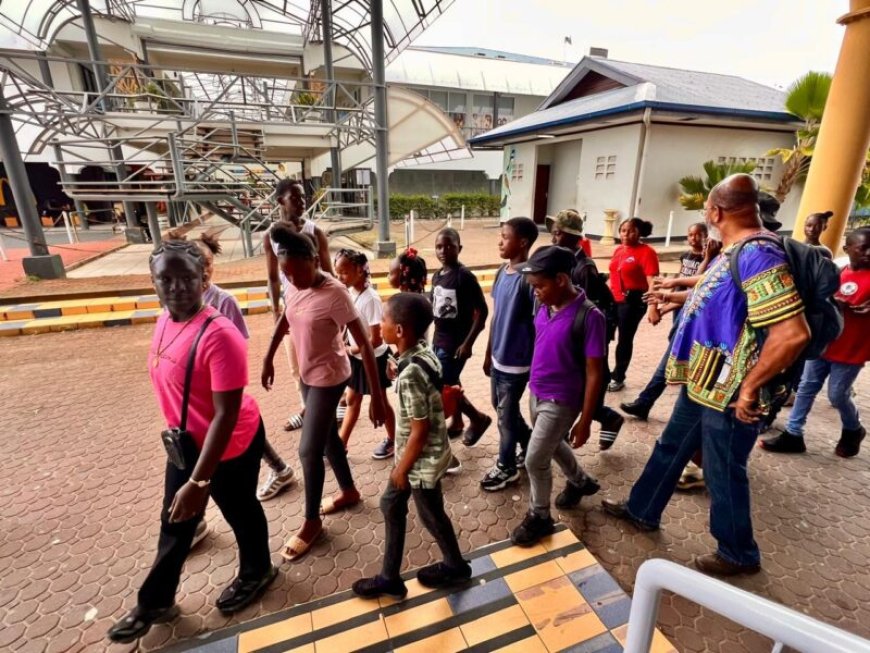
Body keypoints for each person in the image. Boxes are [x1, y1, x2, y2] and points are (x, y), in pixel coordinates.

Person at [602, 174, 810, 576]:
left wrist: (750, 387)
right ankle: (643, 509)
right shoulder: (736, 249)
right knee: (670, 446)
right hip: (705, 382)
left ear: (715, 212)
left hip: (731, 390)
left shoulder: (759, 254)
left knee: (722, 469)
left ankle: (738, 553)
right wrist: (673, 295)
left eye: (705, 210)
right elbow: (721, 297)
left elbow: (792, 333)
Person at [108, 241, 275, 643]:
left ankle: (258, 571)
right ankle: (155, 602)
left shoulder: (220, 334)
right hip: (187, 443)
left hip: (230, 444)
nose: (176, 287)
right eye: (165, 278)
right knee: (175, 520)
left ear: (204, 279)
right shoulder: (166, 319)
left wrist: (199, 482)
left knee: (240, 511)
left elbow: (226, 414)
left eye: (186, 277)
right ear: (153, 281)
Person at [261, 225, 386, 561]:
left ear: (315, 261)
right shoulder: (295, 285)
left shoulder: (335, 293)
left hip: (329, 378)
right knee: (329, 438)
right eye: (286, 272)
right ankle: (349, 491)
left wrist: (378, 397)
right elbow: (285, 319)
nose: (291, 278)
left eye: (296, 271)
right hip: (307, 374)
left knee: (308, 450)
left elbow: (365, 343)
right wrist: (268, 357)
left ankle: (311, 522)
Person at [351, 293, 471, 598]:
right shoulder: (422, 354)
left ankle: (453, 566)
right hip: (426, 455)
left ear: (400, 330)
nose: (380, 325)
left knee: (430, 515)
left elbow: (420, 429)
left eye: (384, 320)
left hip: (418, 461)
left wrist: (401, 470)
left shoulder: (411, 375)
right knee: (393, 505)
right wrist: (397, 369)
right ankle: (390, 577)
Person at [187, 232, 296, 503]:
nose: (205, 270)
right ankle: (280, 468)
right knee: (229, 424)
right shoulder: (179, 300)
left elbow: (237, 346)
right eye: (198, 263)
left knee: (233, 421)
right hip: (195, 384)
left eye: (208, 263)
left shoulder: (223, 301)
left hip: (219, 382)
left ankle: (275, 470)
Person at [511, 246, 606, 546]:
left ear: (561, 280)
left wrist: (585, 420)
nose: (535, 292)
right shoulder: (545, 306)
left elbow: (595, 373)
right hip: (536, 392)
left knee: (534, 460)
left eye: (539, 286)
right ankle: (580, 482)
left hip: (561, 401)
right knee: (551, 445)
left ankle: (540, 516)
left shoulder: (590, 317)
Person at [760, 226, 869, 457]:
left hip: (851, 350)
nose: (868, 253)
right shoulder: (836, 272)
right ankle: (793, 434)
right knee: (806, 388)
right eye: (863, 248)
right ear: (847, 248)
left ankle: (853, 428)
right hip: (823, 344)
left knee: (837, 394)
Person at [548, 209, 625, 449]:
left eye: (558, 233)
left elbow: (591, 310)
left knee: (586, 383)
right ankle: (604, 418)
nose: (553, 237)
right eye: (553, 232)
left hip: (586, 338)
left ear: (572, 236)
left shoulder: (583, 268)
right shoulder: (563, 261)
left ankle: (604, 418)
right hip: (571, 337)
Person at [619, 223, 710, 421]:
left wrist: (663, 304)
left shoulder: (714, 259)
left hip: (696, 315)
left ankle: (646, 401)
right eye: (690, 234)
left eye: (699, 235)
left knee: (674, 354)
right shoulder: (688, 256)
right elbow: (686, 287)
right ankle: (646, 402)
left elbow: (699, 287)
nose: (694, 239)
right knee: (674, 349)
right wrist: (666, 301)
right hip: (683, 308)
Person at [265, 180, 334, 433]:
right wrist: (275, 312)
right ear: (280, 201)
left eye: (303, 197)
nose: (302, 202)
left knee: (322, 361)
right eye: (295, 198)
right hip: (291, 310)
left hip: (316, 310)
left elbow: (329, 273)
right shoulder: (271, 236)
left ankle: (321, 410)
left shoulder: (315, 232)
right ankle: (308, 408)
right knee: (297, 366)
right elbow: (273, 278)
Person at [480, 217, 538, 491]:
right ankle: (528, 443)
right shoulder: (502, 272)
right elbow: (496, 317)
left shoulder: (529, 279)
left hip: (516, 363)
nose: (500, 242)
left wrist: (535, 363)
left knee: (505, 414)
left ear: (522, 242)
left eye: (505, 237)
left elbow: (539, 325)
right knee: (502, 407)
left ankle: (506, 466)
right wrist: (488, 352)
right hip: (498, 357)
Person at [431, 228, 492, 445]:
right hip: (438, 340)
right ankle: (457, 422)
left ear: (459, 248)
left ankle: (478, 418)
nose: (443, 251)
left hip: (455, 344)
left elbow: (482, 312)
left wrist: (468, 344)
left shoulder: (464, 277)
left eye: (450, 246)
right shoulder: (437, 275)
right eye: (439, 246)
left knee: (445, 386)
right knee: (451, 380)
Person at [333, 248, 397, 456]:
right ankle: (341, 444)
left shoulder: (371, 299)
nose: (340, 278)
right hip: (357, 358)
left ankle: (393, 440)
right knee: (353, 399)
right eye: (337, 273)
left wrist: (350, 349)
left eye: (344, 272)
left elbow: (376, 339)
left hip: (374, 359)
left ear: (360, 271)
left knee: (382, 401)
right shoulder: (351, 292)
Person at [607, 217, 659, 391]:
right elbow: (614, 274)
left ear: (639, 233)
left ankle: (618, 377)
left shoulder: (647, 252)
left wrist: (653, 306)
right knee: (603, 336)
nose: (626, 234)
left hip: (633, 302)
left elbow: (653, 281)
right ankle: (603, 373)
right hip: (613, 299)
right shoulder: (619, 250)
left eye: (631, 231)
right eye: (623, 230)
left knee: (624, 339)